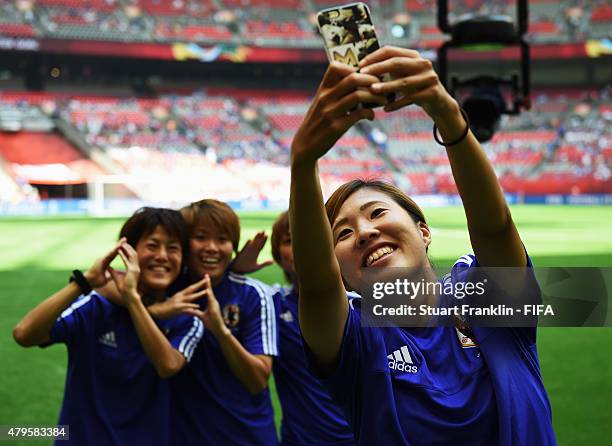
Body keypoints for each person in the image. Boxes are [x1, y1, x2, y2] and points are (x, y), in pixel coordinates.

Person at [288, 47, 557, 445]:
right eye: (342, 234)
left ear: (423, 231)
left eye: (377, 212)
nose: (362, 231)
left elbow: (494, 227)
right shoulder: (356, 339)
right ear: (342, 273)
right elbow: (316, 285)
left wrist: (446, 113)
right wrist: (303, 161)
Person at [12, 207, 204, 445]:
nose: (163, 256)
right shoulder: (95, 306)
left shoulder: (187, 316)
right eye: (152, 246)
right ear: (129, 253)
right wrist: (84, 282)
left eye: (173, 248)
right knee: (10, 431)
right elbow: (24, 334)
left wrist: (133, 299)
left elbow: (167, 365)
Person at [160, 198, 278, 446]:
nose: (212, 247)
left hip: (247, 438)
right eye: (200, 237)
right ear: (183, 242)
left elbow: (257, 380)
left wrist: (222, 332)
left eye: (222, 240)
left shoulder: (252, 295)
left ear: (232, 246)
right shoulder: (166, 290)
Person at [236, 211, 355, 445]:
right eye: (290, 240)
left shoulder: (361, 304)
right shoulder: (271, 304)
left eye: (315, 237)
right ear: (278, 254)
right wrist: (235, 271)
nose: (304, 246)